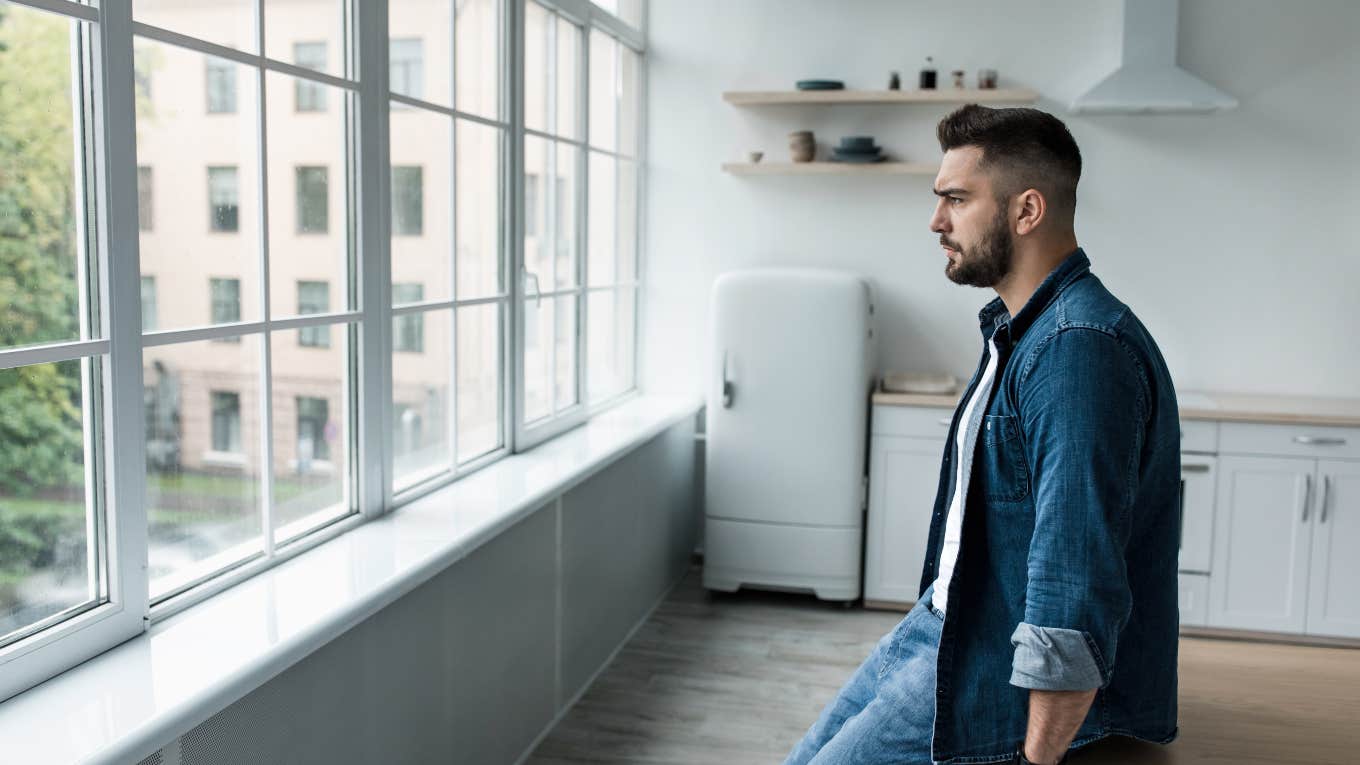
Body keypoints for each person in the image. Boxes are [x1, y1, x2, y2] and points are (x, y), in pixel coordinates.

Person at [783, 104, 1182, 765]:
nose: (937, 221)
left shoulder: (1076, 348)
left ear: (1027, 211)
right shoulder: (1018, 330)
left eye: (957, 199)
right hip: (944, 628)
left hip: (998, 669)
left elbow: (1073, 580)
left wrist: (1036, 757)